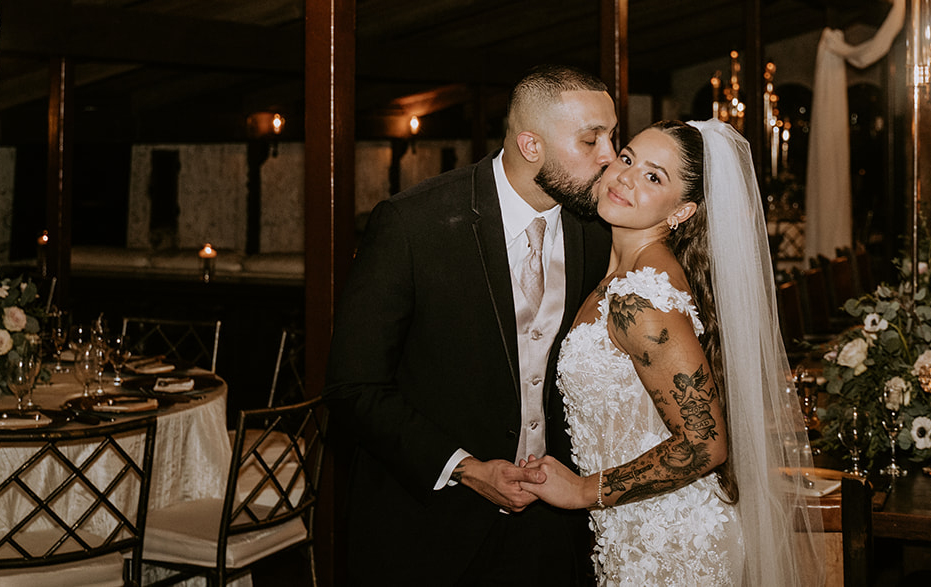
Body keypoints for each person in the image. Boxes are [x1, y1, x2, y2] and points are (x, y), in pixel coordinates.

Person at [324, 65, 617, 585]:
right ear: (531, 145)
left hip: (553, 531)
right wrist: (463, 467)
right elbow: (354, 387)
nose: (610, 157)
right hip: (431, 528)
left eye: (612, 137)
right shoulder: (413, 225)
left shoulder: (598, 231)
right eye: (592, 140)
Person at [520, 119, 821, 586]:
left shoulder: (642, 301)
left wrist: (583, 490)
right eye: (627, 159)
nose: (625, 177)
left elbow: (706, 443)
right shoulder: (623, 277)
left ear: (681, 212)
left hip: (672, 546)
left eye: (653, 176)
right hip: (631, 533)